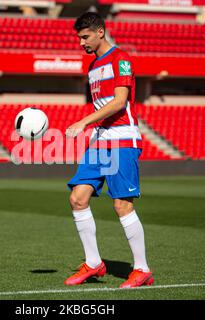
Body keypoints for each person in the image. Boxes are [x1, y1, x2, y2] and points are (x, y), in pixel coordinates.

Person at [64, 12, 153, 289]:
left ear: (100, 31)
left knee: (122, 205)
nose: (81, 42)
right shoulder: (92, 66)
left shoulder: (121, 59)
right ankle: (93, 263)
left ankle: (142, 269)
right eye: (79, 37)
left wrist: (83, 122)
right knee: (78, 198)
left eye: (85, 36)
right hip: (100, 140)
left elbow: (119, 102)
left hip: (123, 138)